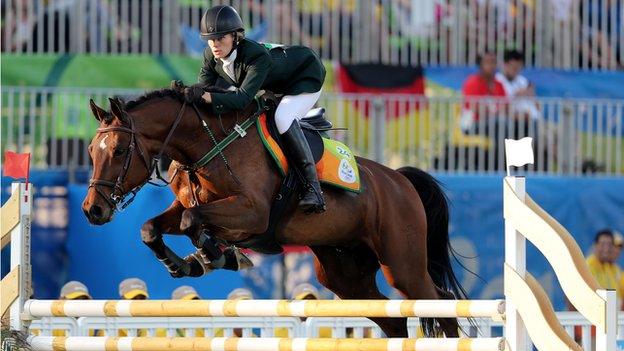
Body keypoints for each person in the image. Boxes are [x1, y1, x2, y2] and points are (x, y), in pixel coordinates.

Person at [184, 5, 326, 214]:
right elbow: (202, 90)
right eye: (211, 39)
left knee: (283, 118)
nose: (215, 44)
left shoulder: (255, 55)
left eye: (220, 38)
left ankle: (313, 188)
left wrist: (207, 97)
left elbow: (241, 99)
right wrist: (185, 94)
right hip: (275, 84)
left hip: (304, 76)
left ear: (235, 36)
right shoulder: (210, 56)